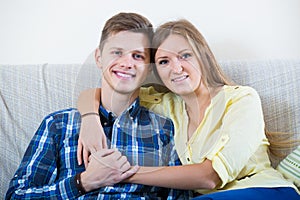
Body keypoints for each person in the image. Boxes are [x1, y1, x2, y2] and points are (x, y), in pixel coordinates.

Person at [76, 19, 300, 199]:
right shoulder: (166, 105)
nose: (176, 68)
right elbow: (103, 93)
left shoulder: (242, 99)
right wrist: (89, 120)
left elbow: (210, 177)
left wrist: (121, 173)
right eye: (164, 61)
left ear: (202, 57)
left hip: (264, 191)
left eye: (185, 56)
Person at [5, 12, 190, 199]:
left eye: (137, 56)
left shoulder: (164, 130)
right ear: (99, 57)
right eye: (117, 52)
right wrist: (83, 182)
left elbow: (180, 196)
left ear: (149, 67)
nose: (127, 63)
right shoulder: (58, 124)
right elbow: (16, 196)